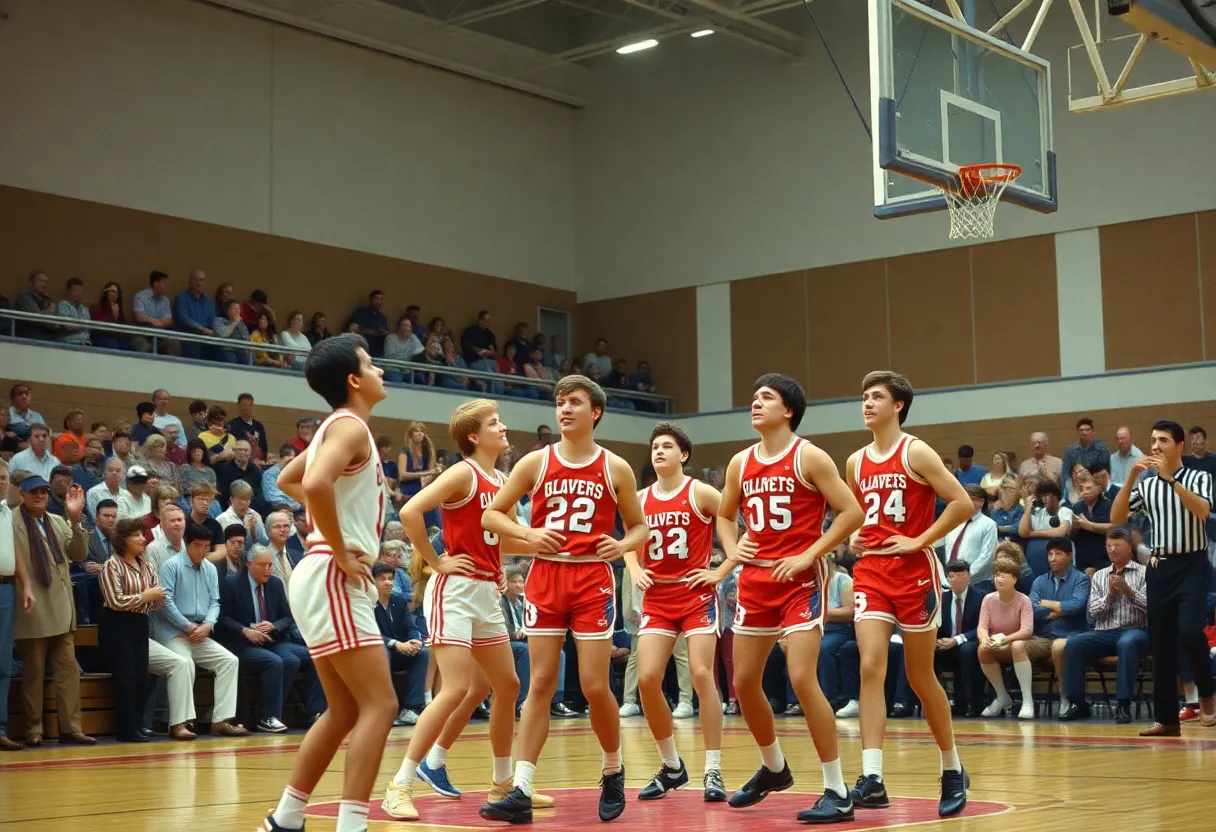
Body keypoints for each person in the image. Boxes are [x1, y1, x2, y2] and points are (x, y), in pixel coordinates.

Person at [479, 375, 649, 825]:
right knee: (539, 683)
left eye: (574, 402)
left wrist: (623, 544)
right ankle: (523, 787)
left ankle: (613, 769)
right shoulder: (535, 462)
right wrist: (528, 532)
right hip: (546, 577)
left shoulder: (616, 467)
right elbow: (492, 513)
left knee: (595, 685)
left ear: (595, 412)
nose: (564, 409)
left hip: (592, 577)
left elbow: (639, 527)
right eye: (559, 402)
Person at [383, 400, 550, 820]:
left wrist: (541, 541)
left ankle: (502, 783)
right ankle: (399, 784)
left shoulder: (502, 479)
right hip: (454, 590)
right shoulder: (463, 472)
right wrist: (436, 561)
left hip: (486, 593)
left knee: (507, 685)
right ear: (474, 436)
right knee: (455, 688)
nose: (504, 426)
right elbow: (409, 510)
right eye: (495, 423)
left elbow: (503, 541)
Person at [262, 334, 399, 832]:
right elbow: (314, 485)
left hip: (318, 575)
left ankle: (286, 819)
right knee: (381, 704)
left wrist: (334, 533)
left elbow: (288, 480)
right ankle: (352, 826)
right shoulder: (350, 426)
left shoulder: (335, 427)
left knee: (343, 710)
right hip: (330, 574)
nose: (380, 370)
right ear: (353, 379)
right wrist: (340, 547)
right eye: (371, 364)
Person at [714, 373, 864, 824]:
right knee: (743, 684)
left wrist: (810, 553)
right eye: (754, 396)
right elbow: (725, 515)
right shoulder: (741, 461)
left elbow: (852, 511)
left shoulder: (809, 455)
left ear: (789, 410)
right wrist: (731, 547)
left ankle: (837, 789)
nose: (755, 403)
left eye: (766, 398)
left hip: (799, 580)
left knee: (801, 676)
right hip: (756, 582)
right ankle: (774, 768)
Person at [845, 370, 971, 818]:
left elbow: (962, 503)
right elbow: (861, 516)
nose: (867, 403)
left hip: (915, 573)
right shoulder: (855, 461)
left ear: (898, 405)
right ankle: (873, 776)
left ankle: (952, 767)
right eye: (864, 397)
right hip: (872, 573)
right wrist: (855, 536)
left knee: (921, 677)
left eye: (876, 396)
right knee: (870, 665)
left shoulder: (915, 450)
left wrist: (920, 540)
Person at [624, 423, 725, 802]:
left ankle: (713, 769)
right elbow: (629, 541)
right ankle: (672, 767)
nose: (659, 451)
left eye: (667, 446)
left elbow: (740, 526)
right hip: (659, 599)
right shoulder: (640, 499)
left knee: (701, 673)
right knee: (648, 680)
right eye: (655, 446)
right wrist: (633, 569)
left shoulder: (701, 492)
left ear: (684, 455)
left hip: (696, 594)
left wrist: (720, 569)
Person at [1111, 420, 1216, 735]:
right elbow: (1117, 519)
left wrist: (1172, 481)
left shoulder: (1199, 476)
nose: (1155, 446)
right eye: (1153, 440)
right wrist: (1131, 477)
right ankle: (1167, 719)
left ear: (1179, 446)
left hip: (1193, 564)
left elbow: (1201, 510)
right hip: (1160, 566)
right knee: (1162, 644)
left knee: (1188, 631)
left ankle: (1207, 694)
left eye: (1163, 441)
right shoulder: (1145, 484)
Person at [11, 476, 93, 746]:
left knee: (68, 672)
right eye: (33, 492)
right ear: (21, 495)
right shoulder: (10, 521)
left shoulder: (58, 521)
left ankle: (71, 728)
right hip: (31, 606)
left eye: (43, 492)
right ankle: (34, 728)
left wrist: (75, 518)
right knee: (33, 672)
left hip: (61, 605)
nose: (39, 496)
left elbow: (78, 554)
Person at [218, 546, 326, 733]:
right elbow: (222, 618)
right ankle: (268, 717)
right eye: (263, 565)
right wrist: (244, 630)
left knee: (317, 655)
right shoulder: (231, 583)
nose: (268, 569)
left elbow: (287, 616)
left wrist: (274, 625)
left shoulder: (275, 584)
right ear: (249, 564)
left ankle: (315, 712)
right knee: (277, 662)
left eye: (270, 564)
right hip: (241, 643)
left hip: (271, 641)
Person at [1059, 527, 1149, 723]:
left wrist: (1128, 592)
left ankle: (1123, 704)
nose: (1112, 550)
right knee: (1074, 643)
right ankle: (1078, 703)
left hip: (1136, 630)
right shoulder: (1100, 575)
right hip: (1105, 631)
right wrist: (1109, 596)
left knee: (1126, 643)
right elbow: (1092, 614)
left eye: (1117, 545)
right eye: (1108, 546)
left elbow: (1152, 609)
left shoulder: (1144, 573)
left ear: (1129, 548)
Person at [98, 518, 164, 743]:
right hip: (116, 624)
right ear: (123, 540)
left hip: (139, 622)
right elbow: (114, 600)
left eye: (143, 534)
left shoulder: (147, 566)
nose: (143, 539)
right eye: (137, 535)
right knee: (125, 678)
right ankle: (126, 730)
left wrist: (148, 599)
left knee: (140, 678)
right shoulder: (112, 565)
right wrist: (144, 597)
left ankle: (137, 725)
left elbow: (157, 598)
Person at [0, 460, 37, 751]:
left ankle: (0, 729)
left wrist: (25, 585)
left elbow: (14, 553)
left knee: (3, 665)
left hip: (6, 590)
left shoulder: (5, 512)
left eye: (4, 478)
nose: (1, 482)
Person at [976, 557, 1037, 718]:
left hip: (1020, 642)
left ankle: (1027, 700)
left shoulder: (1024, 600)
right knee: (982, 649)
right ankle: (1002, 696)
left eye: (1004, 575)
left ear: (1014, 579)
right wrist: (984, 639)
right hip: (998, 642)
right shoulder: (988, 599)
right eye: (997, 575)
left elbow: (1027, 630)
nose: (999, 579)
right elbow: (982, 626)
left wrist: (1006, 640)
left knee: (1017, 645)